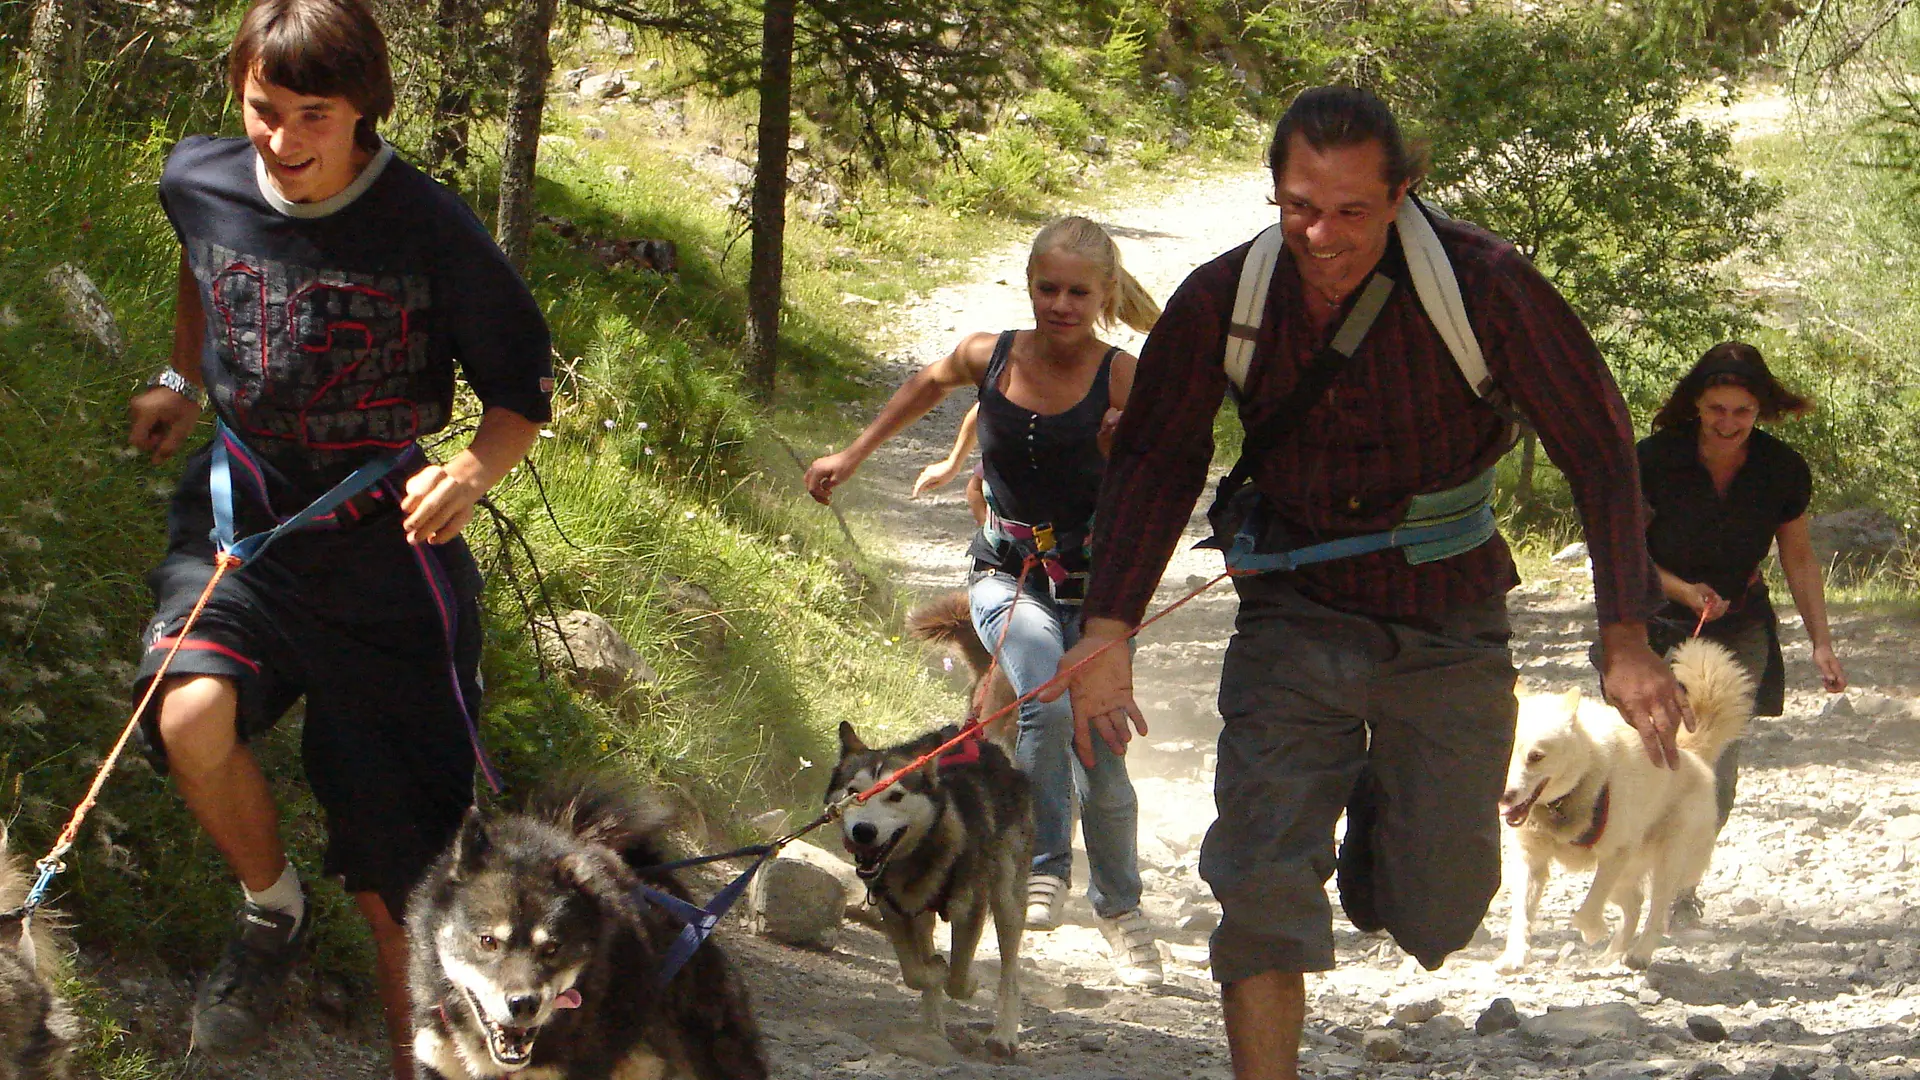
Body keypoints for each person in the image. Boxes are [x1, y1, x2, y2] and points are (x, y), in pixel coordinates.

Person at [1046, 87, 1691, 1080]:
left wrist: (1626, 640)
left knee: (1435, 912)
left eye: (1351, 210)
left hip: (1450, 617)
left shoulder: (1488, 288)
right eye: (1300, 205)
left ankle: (1380, 826)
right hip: (1293, 618)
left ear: (1403, 196)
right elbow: (1154, 461)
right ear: (1273, 191)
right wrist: (1106, 633)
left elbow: (1599, 448)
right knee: (1260, 873)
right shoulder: (1228, 301)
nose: (1322, 233)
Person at [123, 2, 550, 1076]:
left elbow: (519, 394)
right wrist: (183, 377)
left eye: (315, 114)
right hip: (244, 517)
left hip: (386, 552)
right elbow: (200, 256)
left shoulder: (430, 227)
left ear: (366, 109)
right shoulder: (201, 178)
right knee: (190, 713)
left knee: (400, 874)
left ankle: (419, 1058)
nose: (283, 138)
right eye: (265, 109)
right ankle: (271, 912)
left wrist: (471, 471)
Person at [805, 216, 1167, 986]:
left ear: (1104, 295)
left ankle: (1121, 910)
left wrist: (1122, 444)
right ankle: (1044, 869)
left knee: (1101, 758)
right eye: (1047, 288)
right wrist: (854, 453)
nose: (1061, 304)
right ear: (1029, 284)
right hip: (1007, 574)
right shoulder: (991, 353)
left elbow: (1164, 477)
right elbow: (926, 383)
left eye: (1078, 291)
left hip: (1095, 590)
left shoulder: (1125, 375)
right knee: (1045, 696)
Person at [1634, 342, 1846, 919]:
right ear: (1696, 406)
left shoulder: (1782, 469)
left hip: (1742, 623)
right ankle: (1630, 874)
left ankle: (1678, 891)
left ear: (1761, 412)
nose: (1728, 423)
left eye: (1741, 412)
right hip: (1655, 620)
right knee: (1650, 748)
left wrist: (1821, 641)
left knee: (1713, 758)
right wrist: (1682, 590)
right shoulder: (1652, 459)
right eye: (1716, 409)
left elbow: (1799, 557)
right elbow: (1621, 552)